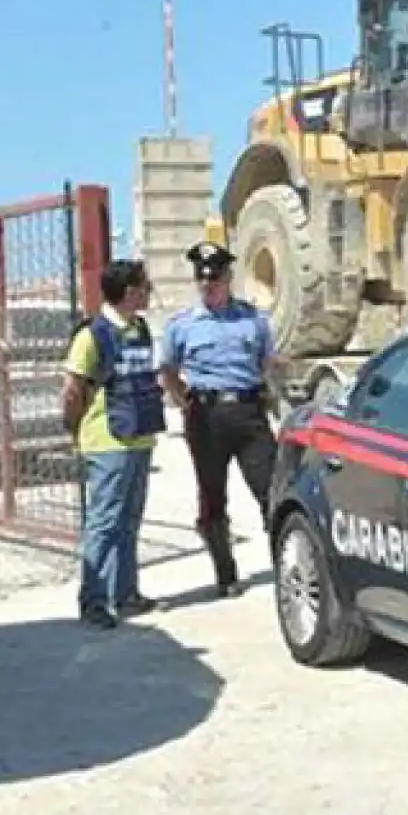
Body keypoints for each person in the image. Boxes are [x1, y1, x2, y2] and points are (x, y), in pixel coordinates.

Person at [158, 241, 283, 598]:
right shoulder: (182, 326)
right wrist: (186, 402)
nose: (208, 287)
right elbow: (168, 370)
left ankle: (284, 564)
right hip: (206, 416)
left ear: (229, 279)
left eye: (215, 280)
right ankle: (225, 573)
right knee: (212, 496)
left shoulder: (253, 320)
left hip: (247, 412)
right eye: (202, 281)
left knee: (270, 489)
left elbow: (265, 363)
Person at [61, 258, 164, 629]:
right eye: (145, 285)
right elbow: (73, 390)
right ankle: (93, 600)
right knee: (104, 522)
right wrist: (75, 430)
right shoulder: (93, 334)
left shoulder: (139, 329)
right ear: (130, 291)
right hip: (107, 442)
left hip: (139, 439)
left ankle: (125, 593)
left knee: (130, 520)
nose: (150, 292)